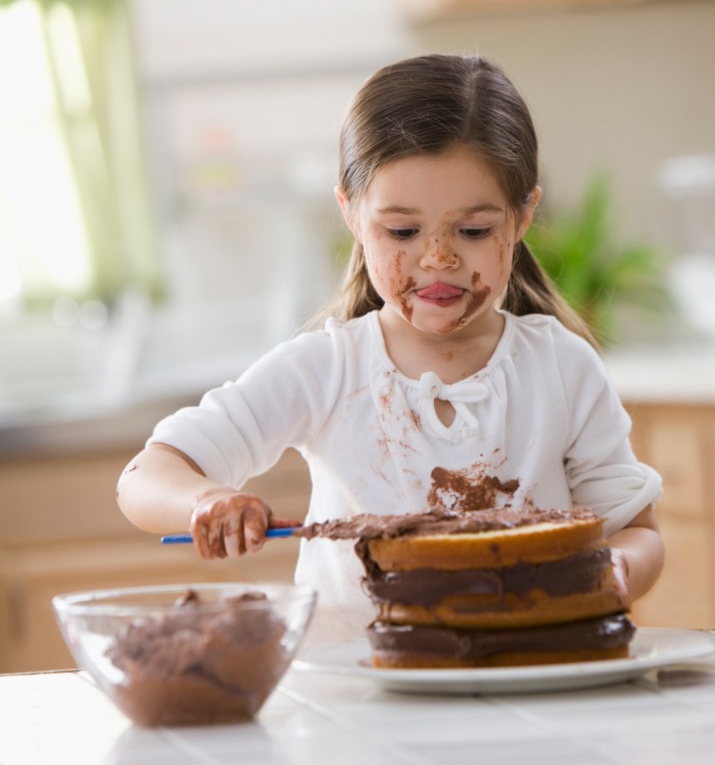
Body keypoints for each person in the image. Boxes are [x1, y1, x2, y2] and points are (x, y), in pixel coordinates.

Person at [117, 53, 664, 640]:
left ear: (522, 215)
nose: (439, 259)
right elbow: (147, 477)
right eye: (402, 232)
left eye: (474, 231)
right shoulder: (327, 371)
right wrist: (205, 501)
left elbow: (637, 530)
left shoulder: (561, 368)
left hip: (533, 673)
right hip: (361, 698)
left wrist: (616, 569)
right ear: (351, 214)